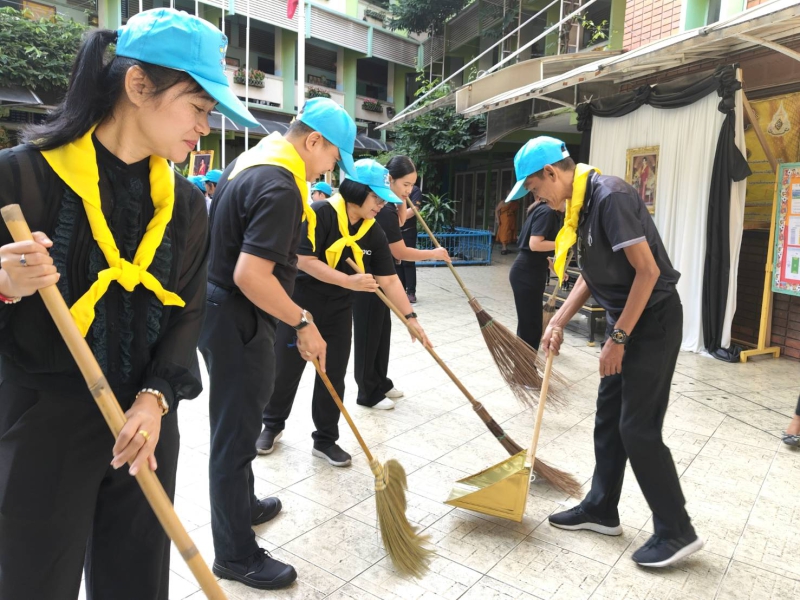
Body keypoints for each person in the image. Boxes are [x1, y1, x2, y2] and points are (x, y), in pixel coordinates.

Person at [0, 8, 256, 599]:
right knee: (34, 581)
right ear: (139, 85)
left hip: (145, 422)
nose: (205, 128)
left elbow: (188, 311)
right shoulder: (22, 178)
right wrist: (6, 281)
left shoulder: (186, 204)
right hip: (44, 423)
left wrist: (156, 396)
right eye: (199, 107)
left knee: (136, 581)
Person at [513, 136, 703, 568]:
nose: (536, 199)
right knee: (608, 417)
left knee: (637, 427)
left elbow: (647, 272)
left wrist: (618, 338)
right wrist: (557, 321)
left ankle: (676, 530)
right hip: (627, 319)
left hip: (651, 322)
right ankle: (601, 508)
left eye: (535, 188)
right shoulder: (577, 207)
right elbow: (592, 274)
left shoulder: (610, 197)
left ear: (552, 173)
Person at [198, 97, 356, 590]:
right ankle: (235, 554)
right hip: (239, 315)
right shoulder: (280, 184)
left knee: (240, 421)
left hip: (220, 309)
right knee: (234, 433)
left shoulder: (251, 161)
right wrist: (303, 321)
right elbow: (251, 275)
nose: (329, 170)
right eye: (332, 158)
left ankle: (243, 505)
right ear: (314, 141)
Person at [257, 159, 431, 465]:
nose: (381, 204)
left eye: (383, 199)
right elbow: (304, 260)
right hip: (299, 307)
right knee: (286, 369)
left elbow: (390, 280)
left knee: (333, 373)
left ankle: (325, 440)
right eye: (376, 197)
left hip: (338, 309)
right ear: (357, 191)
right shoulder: (319, 213)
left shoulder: (372, 231)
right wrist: (348, 280)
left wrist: (410, 319)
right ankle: (272, 425)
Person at [352, 155, 449, 409]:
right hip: (368, 280)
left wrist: (402, 200)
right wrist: (434, 253)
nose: (409, 190)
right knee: (368, 336)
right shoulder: (381, 211)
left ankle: (380, 381)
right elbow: (400, 252)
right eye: (405, 184)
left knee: (381, 333)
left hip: (383, 277)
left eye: (412, 185)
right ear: (389, 180)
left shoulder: (388, 208)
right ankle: (367, 391)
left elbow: (402, 221)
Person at [507, 196, 562, 349]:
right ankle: (524, 362)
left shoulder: (543, 210)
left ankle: (524, 361)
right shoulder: (547, 211)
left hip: (529, 270)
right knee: (530, 327)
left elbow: (539, 254)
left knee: (530, 325)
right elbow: (535, 244)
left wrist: (556, 269)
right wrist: (564, 243)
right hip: (527, 274)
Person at [397, 184, 422, 303]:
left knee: (408, 261)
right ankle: (399, 291)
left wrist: (397, 218)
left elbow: (414, 209)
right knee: (396, 261)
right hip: (395, 231)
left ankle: (411, 292)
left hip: (408, 231)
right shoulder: (393, 188)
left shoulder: (414, 190)